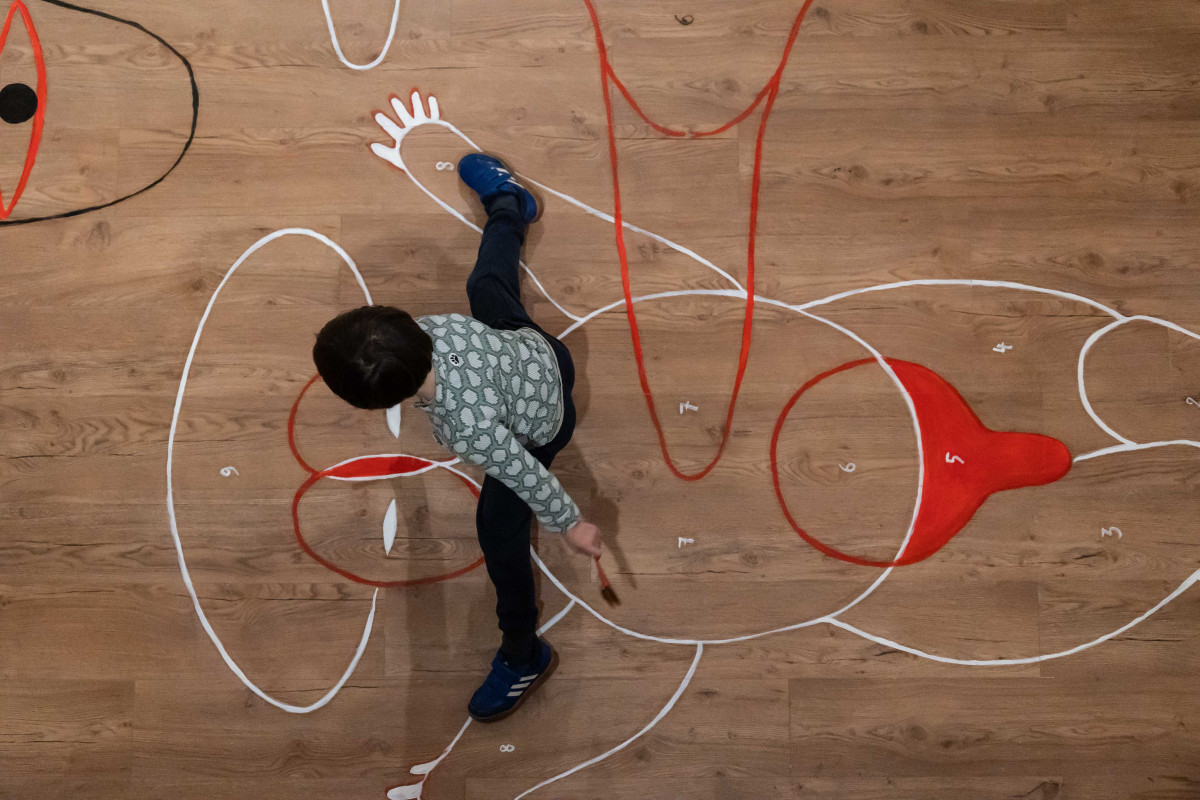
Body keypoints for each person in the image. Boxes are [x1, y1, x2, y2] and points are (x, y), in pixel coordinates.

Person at [312, 153, 602, 722]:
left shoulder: (465, 429)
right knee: (486, 283)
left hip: (541, 427)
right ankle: (508, 206)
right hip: (538, 350)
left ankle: (524, 653)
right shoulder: (427, 327)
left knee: (498, 530)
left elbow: (527, 474)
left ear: (382, 403)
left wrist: (573, 524)